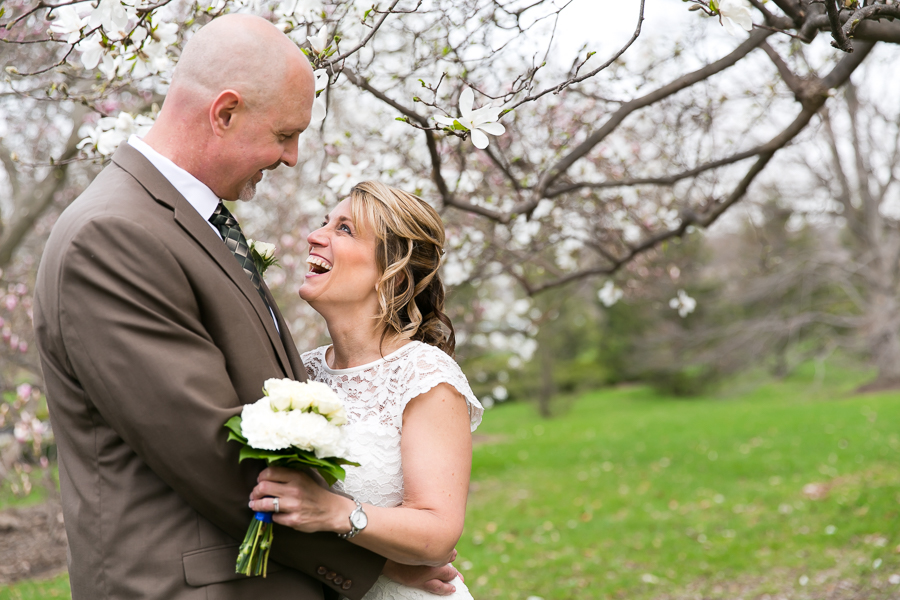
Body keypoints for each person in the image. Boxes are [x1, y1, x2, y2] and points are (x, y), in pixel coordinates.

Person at [33, 14, 459, 600]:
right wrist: (371, 567)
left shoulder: (185, 222)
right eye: (285, 133)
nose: (292, 157)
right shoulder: (114, 233)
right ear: (224, 112)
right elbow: (209, 451)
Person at [248, 181, 483, 600]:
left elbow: (437, 533)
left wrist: (334, 511)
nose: (315, 236)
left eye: (344, 229)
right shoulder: (304, 370)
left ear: (391, 270)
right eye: (324, 223)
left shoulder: (425, 375)